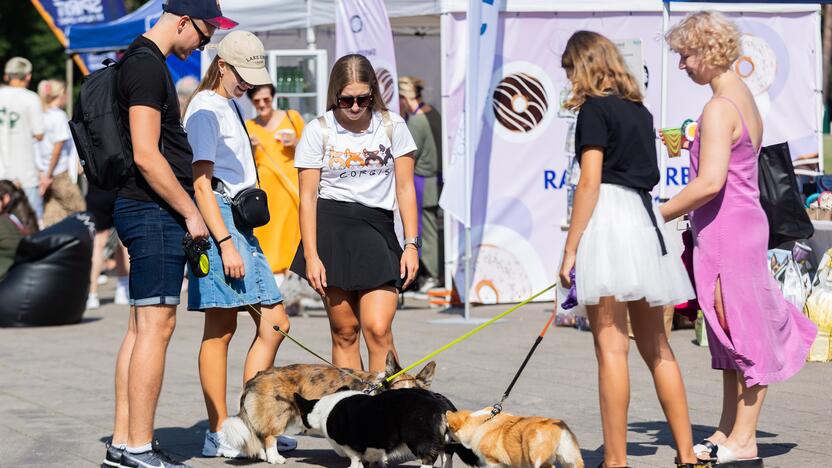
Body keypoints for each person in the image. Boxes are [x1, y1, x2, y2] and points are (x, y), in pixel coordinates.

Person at [662, 12, 817, 465]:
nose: (681, 65)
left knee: (744, 336)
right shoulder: (740, 97)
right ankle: (729, 429)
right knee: (731, 337)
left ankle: (743, 438)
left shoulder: (719, 107)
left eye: (685, 55)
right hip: (735, 227)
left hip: (729, 231)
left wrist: (658, 213)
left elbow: (710, 182)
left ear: (708, 50)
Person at [557, 31, 700, 468]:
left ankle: (616, 461)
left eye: (568, 70)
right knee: (658, 346)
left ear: (582, 67)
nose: (567, 80)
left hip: (610, 220)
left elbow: (590, 181)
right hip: (643, 220)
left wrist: (570, 248)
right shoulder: (640, 112)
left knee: (612, 348)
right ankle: (688, 455)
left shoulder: (594, 111)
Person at [101, 2, 234, 467]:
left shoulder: (138, 61)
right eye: (205, 31)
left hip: (144, 209)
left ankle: (124, 441)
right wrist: (191, 213)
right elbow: (146, 154)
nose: (205, 42)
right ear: (182, 21)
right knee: (155, 328)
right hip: (153, 211)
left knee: (141, 329)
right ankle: (136, 447)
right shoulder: (146, 67)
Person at [184, 30, 295, 459]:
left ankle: (250, 425)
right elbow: (201, 183)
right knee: (223, 326)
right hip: (223, 220)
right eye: (243, 73)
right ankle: (221, 431)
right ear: (222, 66)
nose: (250, 83)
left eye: (254, 75)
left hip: (237, 220)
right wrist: (225, 242)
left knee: (274, 321)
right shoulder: (207, 109)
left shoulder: (226, 102)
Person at [290, 54, 419, 372]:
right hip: (331, 230)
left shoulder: (392, 125)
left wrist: (412, 243)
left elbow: (405, 188)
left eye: (364, 98)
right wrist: (311, 255)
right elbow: (307, 198)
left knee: (378, 329)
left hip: (378, 230)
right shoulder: (318, 130)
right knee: (345, 332)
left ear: (374, 93)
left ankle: (392, 409)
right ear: (335, 95)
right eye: (347, 100)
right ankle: (355, 414)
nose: (356, 106)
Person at [245, 83, 304, 285]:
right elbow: (247, 163)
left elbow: (310, 151)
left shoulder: (291, 117)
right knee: (267, 232)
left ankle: (291, 273)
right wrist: (251, 148)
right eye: (257, 101)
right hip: (266, 190)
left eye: (266, 100)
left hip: (291, 188)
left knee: (291, 231)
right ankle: (270, 275)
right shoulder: (250, 126)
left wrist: (295, 142)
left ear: (273, 98)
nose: (262, 105)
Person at [398, 76, 443, 293]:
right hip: (431, 179)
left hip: (423, 181)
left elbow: (408, 155)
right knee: (429, 229)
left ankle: (432, 275)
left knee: (426, 231)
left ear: (404, 98)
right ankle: (432, 274)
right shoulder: (430, 112)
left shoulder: (416, 121)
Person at [35, 79, 86, 227]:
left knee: (53, 216)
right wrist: (49, 174)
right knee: (80, 212)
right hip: (58, 173)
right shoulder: (58, 116)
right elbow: (58, 148)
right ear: (61, 94)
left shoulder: (40, 115)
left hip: (43, 172)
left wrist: (42, 173)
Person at [0, 57, 45, 221]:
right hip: (24, 171)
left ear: (7, 75)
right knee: (30, 222)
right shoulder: (30, 98)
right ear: (27, 76)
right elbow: (39, 134)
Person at [85, 184, 130, 309]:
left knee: (98, 245)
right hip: (121, 191)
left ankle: (92, 294)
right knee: (125, 243)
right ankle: (126, 289)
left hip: (97, 191)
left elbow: (79, 170)